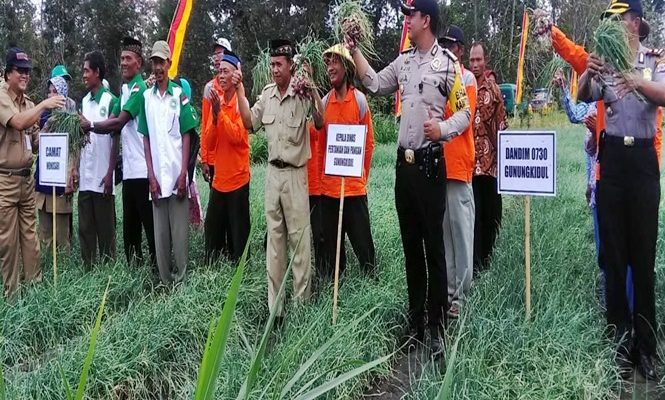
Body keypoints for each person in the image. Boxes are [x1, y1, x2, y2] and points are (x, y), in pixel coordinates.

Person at [346, 0, 470, 355]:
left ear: (425, 20)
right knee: (411, 248)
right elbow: (373, 83)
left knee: (434, 249)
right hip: (405, 168)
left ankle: (437, 326)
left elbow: (465, 113)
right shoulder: (403, 61)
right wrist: (354, 50)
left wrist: (442, 129)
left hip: (431, 166)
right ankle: (415, 323)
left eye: (410, 15)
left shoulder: (447, 64)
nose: (406, 21)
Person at [578, 0, 665, 381]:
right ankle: (620, 342)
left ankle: (647, 347)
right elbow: (584, 95)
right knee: (614, 257)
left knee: (643, 258)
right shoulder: (606, 62)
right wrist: (588, 70)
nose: (613, 25)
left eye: (618, 19)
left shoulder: (654, 59)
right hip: (612, 161)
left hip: (643, 163)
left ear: (634, 22)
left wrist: (637, 82)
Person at [235, 39, 324, 325]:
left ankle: (301, 307)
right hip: (272, 176)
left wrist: (313, 88)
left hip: (296, 175)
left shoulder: (302, 92)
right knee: (274, 245)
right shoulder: (267, 95)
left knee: (299, 243)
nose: (274, 69)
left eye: (279, 65)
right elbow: (249, 122)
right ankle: (277, 310)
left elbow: (320, 121)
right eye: (272, 64)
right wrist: (239, 90)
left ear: (290, 66)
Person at [82, 37, 157, 274]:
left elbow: (118, 123)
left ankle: (158, 273)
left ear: (139, 63)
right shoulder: (124, 90)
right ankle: (135, 276)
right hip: (129, 173)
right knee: (130, 233)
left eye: (128, 58)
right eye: (122, 58)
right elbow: (111, 123)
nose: (123, 62)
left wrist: (90, 125)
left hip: (144, 171)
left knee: (150, 229)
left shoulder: (139, 89)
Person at [0, 47, 65, 297]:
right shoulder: (2, 96)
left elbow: (35, 142)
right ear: (8, 73)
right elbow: (18, 122)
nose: (26, 75)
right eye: (20, 71)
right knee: (8, 242)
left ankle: (34, 290)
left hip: (26, 180)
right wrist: (45, 104)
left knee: (30, 237)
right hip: (5, 181)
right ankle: (12, 295)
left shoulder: (28, 103)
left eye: (28, 71)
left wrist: (50, 127)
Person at [139, 41, 197, 284]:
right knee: (160, 236)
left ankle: (181, 281)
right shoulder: (146, 98)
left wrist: (183, 173)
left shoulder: (179, 95)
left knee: (180, 235)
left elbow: (186, 135)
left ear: (169, 64)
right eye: (154, 62)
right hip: (157, 179)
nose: (157, 67)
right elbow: (146, 138)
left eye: (161, 62)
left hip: (176, 176)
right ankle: (165, 281)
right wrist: (150, 175)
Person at [318, 44, 376, 279]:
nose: (330, 68)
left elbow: (368, 144)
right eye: (328, 63)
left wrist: (361, 178)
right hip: (329, 192)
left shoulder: (360, 101)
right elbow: (321, 148)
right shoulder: (323, 103)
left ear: (347, 67)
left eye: (335, 62)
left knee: (364, 248)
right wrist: (322, 182)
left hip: (354, 190)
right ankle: (335, 287)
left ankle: (371, 286)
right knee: (333, 254)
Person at [439, 26, 477, 319]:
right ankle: (448, 291)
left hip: (459, 166)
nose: (446, 50)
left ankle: (460, 296)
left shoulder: (466, 79)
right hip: (439, 167)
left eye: (450, 46)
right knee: (444, 236)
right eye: (443, 45)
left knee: (461, 236)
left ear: (460, 50)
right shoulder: (438, 76)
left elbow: (464, 119)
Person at [203, 51, 251, 263]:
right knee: (212, 231)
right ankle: (212, 269)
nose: (220, 76)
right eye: (219, 72)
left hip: (238, 179)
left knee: (238, 234)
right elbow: (209, 141)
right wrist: (215, 116)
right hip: (219, 179)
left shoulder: (242, 104)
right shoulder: (218, 101)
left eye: (225, 72)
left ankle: (241, 270)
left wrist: (219, 114)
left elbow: (237, 136)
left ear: (235, 76)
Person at [75, 51, 119, 268]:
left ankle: (108, 273)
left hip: (102, 176)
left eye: (86, 71)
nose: (84, 75)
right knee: (85, 229)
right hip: (86, 176)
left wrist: (110, 172)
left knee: (106, 230)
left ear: (97, 72)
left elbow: (115, 138)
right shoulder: (84, 101)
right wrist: (75, 169)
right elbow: (80, 138)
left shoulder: (111, 101)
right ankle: (88, 269)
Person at [467, 42, 507, 274]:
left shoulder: (494, 89)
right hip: (470, 165)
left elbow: (502, 125)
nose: (475, 64)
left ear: (485, 60)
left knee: (491, 214)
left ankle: (488, 260)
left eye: (478, 60)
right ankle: (475, 264)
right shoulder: (464, 87)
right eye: (472, 60)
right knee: (474, 215)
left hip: (490, 165)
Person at [34, 76, 77, 253]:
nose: (51, 95)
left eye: (55, 92)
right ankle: (45, 264)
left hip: (60, 182)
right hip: (43, 178)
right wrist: (46, 127)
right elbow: (35, 144)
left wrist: (71, 175)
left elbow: (75, 149)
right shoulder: (43, 116)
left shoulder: (71, 118)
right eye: (49, 92)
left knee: (61, 236)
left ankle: (64, 266)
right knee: (44, 234)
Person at [201, 38, 232, 188]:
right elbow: (204, 123)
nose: (216, 58)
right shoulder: (209, 88)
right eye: (215, 54)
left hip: (231, 155)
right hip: (214, 157)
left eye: (220, 53)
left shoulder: (236, 86)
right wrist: (204, 159)